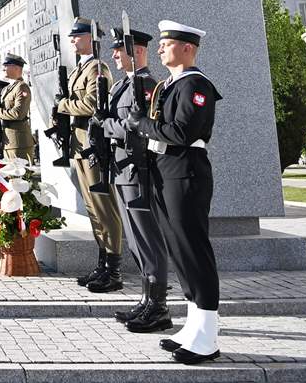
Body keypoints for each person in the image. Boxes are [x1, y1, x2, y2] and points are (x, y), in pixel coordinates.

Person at [126, 21, 221, 365]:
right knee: (178, 250)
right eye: (162, 44)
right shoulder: (168, 85)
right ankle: (194, 325)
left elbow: (181, 131)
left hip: (186, 171)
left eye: (168, 44)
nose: (162, 48)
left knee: (193, 249)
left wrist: (142, 124)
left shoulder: (196, 85)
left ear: (188, 48)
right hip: (165, 172)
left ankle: (208, 333)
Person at [100, 26, 171, 332]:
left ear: (137, 52)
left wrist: (107, 126)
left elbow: (138, 128)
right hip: (121, 170)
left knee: (148, 240)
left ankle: (158, 307)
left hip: (136, 170)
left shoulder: (147, 85)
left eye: (120, 49)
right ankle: (146, 301)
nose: (114, 54)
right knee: (136, 241)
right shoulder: (120, 86)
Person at [57, 19, 124, 292]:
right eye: (72, 37)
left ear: (89, 38)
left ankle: (114, 270)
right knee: (93, 208)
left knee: (105, 207)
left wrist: (63, 105)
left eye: (77, 36)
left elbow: (93, 104)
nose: (72, 41)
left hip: (94, 147)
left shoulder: (98, 68)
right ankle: (102, 263)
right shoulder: (80, 69)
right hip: (80, 146)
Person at [0, 54, 35, 162]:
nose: (3, 69)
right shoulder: (8, 88)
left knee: (21, 176)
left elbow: (18, 113)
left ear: (16, 68)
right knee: (12, 177)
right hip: (9, 141)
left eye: (6, 65)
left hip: (19, 142)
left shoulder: (21, 87)